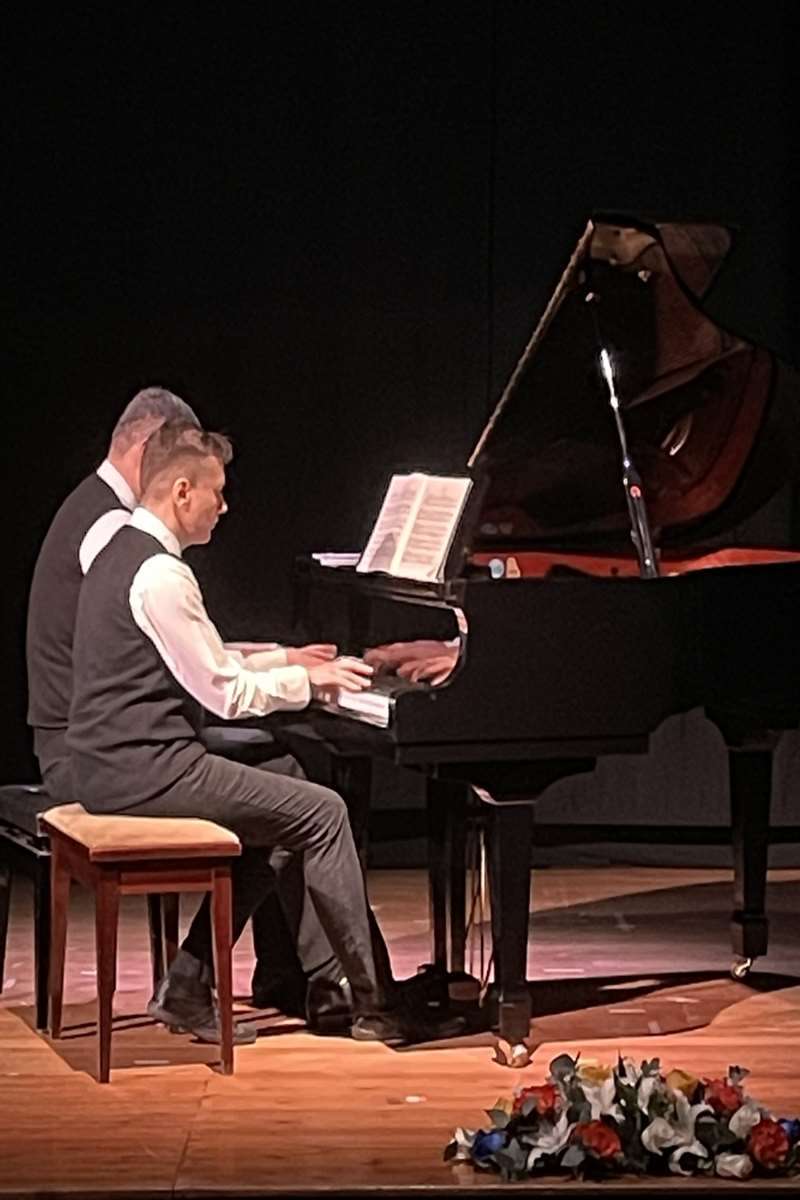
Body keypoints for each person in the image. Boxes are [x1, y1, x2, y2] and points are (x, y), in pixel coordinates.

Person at [67, 420, 462, 1045]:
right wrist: (314, 683)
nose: (224, 507)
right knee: (323, 813)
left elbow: (201, 660)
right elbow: (224, 694)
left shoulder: (118, 547)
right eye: (217, 492)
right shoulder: (163, 575)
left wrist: (286, 660)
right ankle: (376, 1004)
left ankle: (190, 982)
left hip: (112, 761)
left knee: (286, 783)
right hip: (145, 769)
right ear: (182, 492)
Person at [24, 387, 352, 1028]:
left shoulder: (107, 517)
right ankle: (314, 976)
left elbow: (173, 646)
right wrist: (292, 676)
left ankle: (281, 972)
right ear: (156, 452)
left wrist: (274, 658)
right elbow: (175, 655)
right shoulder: (112, 529)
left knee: (281, 772)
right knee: (289, 785)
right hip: (90, 750)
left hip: (111, 735)